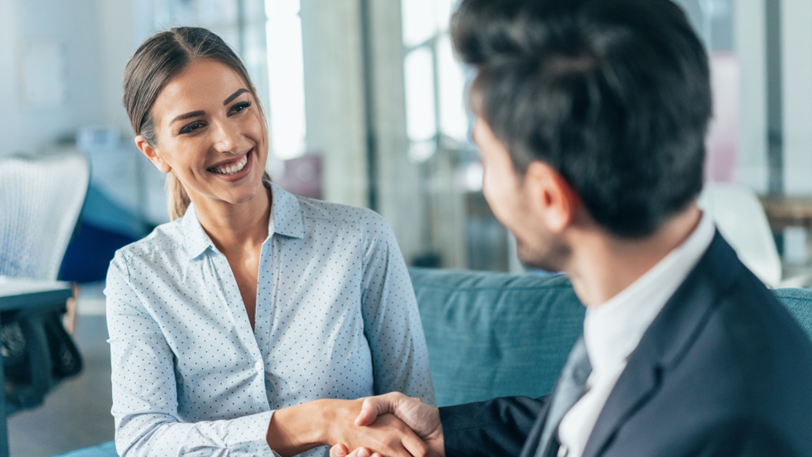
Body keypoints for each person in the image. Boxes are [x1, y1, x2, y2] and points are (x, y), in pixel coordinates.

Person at [331, 0, 812, 456]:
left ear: (549, 197)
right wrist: (445, 436)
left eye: (485, 156)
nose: (486, 184)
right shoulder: (657, 305)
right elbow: (600, 411)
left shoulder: (725, 423)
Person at [106, 27, 435, 457]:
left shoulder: (360, 239)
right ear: (154, 153)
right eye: (193, 126)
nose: (228, 140)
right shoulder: (138, 274)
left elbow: (415, 415)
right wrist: (316, 421)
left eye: (239, 107)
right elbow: (143, 441)